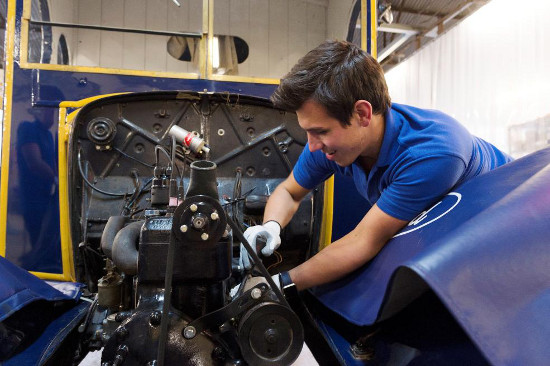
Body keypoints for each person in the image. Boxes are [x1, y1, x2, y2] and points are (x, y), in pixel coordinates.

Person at [240, 40, 512, 293]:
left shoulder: (433, 154)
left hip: (507, 229)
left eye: (320, 131)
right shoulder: (332, 144)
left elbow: (363, 241)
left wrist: (280, 284)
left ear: (362, 114)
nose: (312, 145)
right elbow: (289, 192)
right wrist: (271, 226)